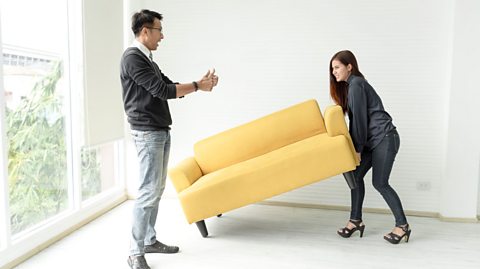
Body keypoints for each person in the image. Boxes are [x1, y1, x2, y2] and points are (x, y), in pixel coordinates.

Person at [120, 9, 219, 269]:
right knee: (147, 192)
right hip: (148, 131)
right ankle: (134, 251)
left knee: (156, 190)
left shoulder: (147, 58)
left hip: (159, 129)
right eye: (158, 30)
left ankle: (149, 240)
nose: (162, 36)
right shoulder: (132, 58)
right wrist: (198, 86)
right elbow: (163, 90)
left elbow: (166, 83)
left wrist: (197, 84)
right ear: (144, 31)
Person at [329, 50, 411, 244]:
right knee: (355, 178)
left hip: (384, 137)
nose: (334, 72)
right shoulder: (353, 86)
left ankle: (403, 226)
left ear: (350, 66)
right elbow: (357, 121)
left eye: (337, 67)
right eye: (332, 69)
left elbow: (359, 121)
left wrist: (357, 149)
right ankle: (355, 221)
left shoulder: (356, 84)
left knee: (380, 183)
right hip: (373, 140)